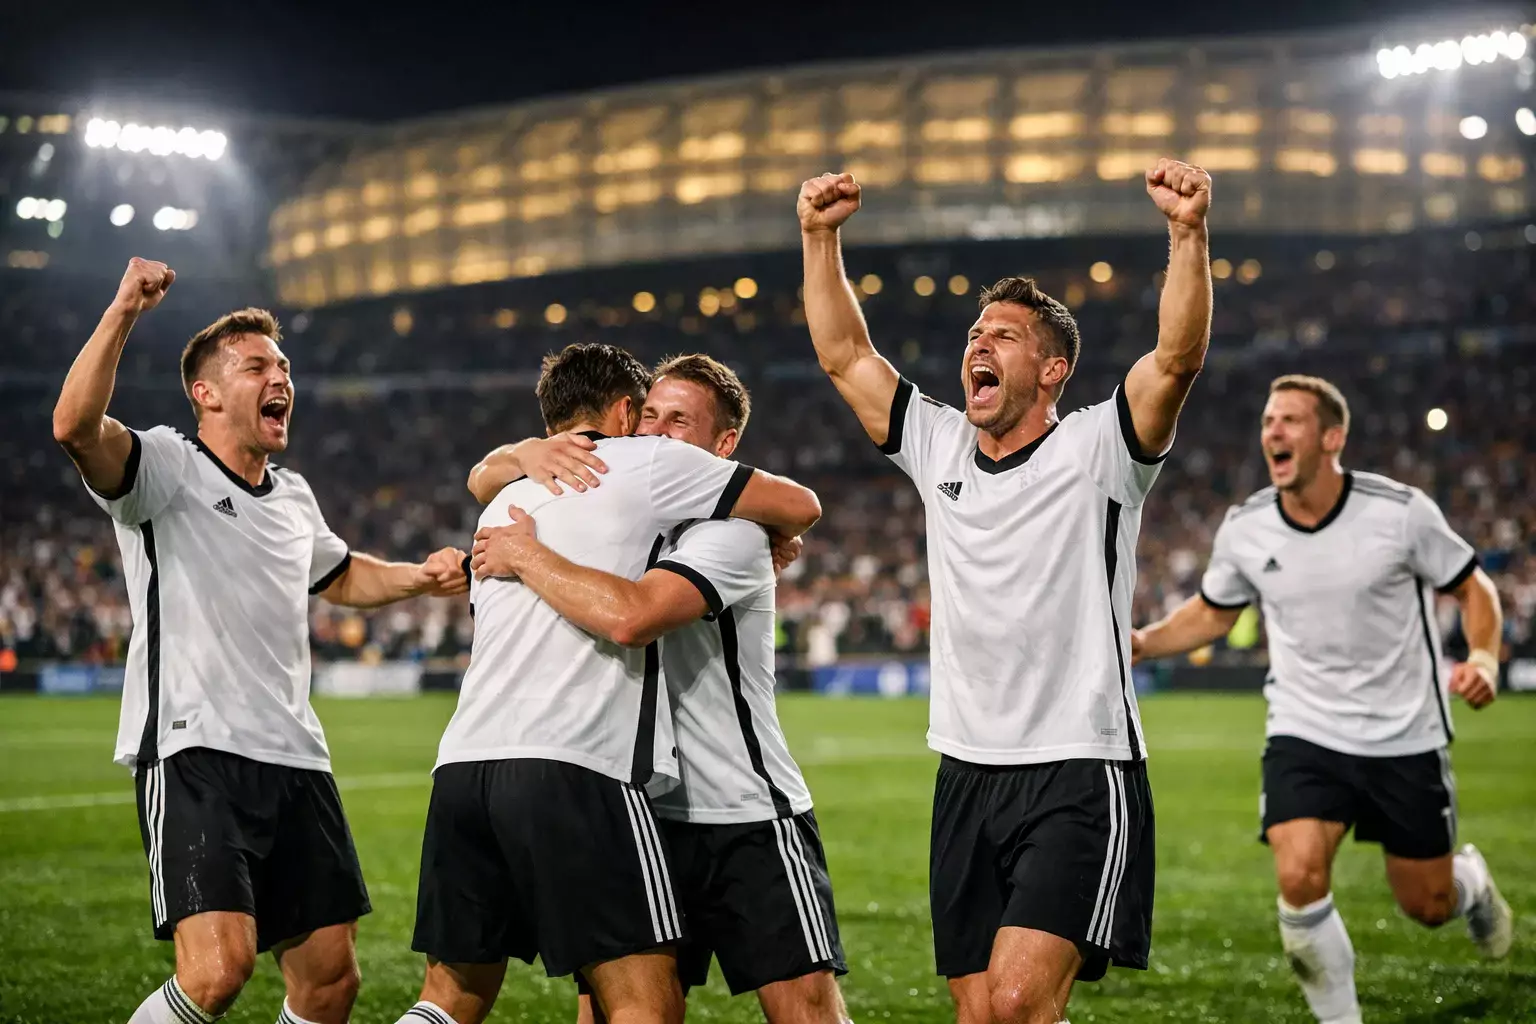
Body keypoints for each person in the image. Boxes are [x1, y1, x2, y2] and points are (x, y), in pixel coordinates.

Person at [797, 159, 1213, 1024]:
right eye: (975, 334)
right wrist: (819, 237)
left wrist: (1186, 232)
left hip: (1078, 764)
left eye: (1005, 336)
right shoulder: (939, 446)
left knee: (1019, 1002)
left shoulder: (1100, 450)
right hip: (965, 766)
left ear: (1054, 369)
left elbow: (1175, 360)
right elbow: (845, 355)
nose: (978, 345)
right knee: (982, 1010)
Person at [51, 258, 469, 1024]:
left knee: (330, 984)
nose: (280, 378)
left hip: (297, 757)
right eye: (255, 367)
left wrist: (421, 577)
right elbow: (75, 428)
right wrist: (123, 309)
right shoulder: (168, 467)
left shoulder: (294, 497)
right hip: (196, 750)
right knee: (217, 972)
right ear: (205, 394)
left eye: (284, 368)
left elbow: (342, 575)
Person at [395, 344, 822, 1024]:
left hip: (736, 805)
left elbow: (638, 611)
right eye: (650, 415)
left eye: (678, 420)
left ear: (724, 445)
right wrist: (523, 454)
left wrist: (522, 530)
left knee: (455, 996)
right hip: (615, 788)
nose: (657, 432)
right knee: (632, 1005)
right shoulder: (616, 484)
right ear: (626, 413)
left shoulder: (728, 529)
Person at [1131, 374, 1513, 1024]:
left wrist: (1482, 658)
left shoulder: (1400, 513)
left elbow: (1475, 588)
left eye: (1290, 420)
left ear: (1332, 438)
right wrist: (1144, 641)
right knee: (1299, 877)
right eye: (1267, 421)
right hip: (1304, 730)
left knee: (1427, 905)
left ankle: (1469, 884)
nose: (1272, 432)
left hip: (1404, 734)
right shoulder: (1247, 526)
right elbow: (1214, 611)